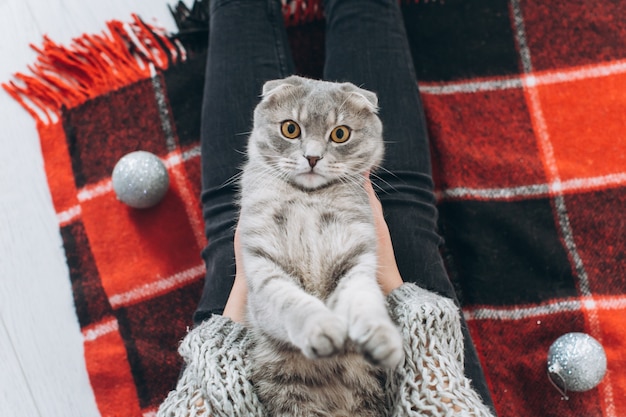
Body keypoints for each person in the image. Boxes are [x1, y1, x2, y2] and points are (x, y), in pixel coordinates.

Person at [158, 0, 497, 415]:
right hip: (391, 372)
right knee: (402, 213)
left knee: (230, 230)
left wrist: (241, 298)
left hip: (252, 367)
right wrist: (393, 285)